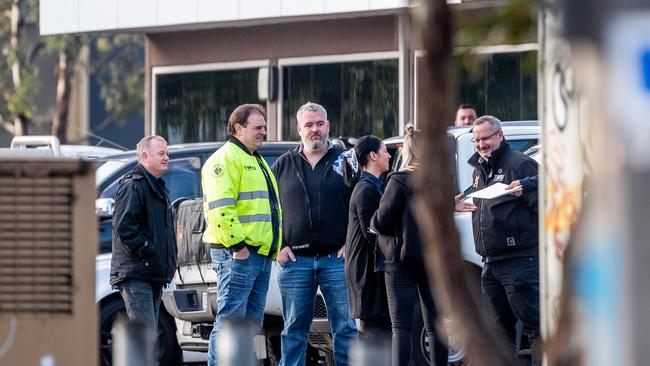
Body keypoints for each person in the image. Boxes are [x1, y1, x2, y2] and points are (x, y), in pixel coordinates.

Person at [271, 102, 358, 366]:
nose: (315, 130)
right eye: (308, 125)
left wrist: (351, 243)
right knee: (294, 329)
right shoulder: (283, 165)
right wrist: (279, 246)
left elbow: (362, 203)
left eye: (320, 124)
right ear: (299, 129)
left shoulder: (347, 160)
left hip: (337, 260)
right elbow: (269, 210)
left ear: (328, 126)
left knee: (345, 328)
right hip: (295, 262)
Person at [202, 104, 282, 366]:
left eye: (264, 127)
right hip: (238, 254)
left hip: (256, 255)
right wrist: (238, 247)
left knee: (248, 324)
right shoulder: (224, 160)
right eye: (257, 127)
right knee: (231, 322)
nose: (264, 132)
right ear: (238, 128)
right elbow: (220, 208)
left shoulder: (254, 159)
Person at [370, 125, 448, 366]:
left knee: (401, 326)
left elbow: (381, 221)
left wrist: (373, 222)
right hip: (432, 259)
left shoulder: (399, 181)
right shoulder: (439, 181)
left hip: (399, 262)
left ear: (407, 150)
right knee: (436, 324)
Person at [467, 115, 540, 361]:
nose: (481, 144)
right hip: (490, 262)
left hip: (520, 262)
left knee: (536, 329)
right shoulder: (479, 168)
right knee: (497, 334)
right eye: (476, 140)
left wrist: (524, 191)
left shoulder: (520, 165)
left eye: (485, 138)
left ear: (500, 135)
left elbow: (543, 207)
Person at [110, 135, 177, 363]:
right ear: (144, 156)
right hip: (136, 273)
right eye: (162, 154)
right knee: (144, 338)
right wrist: (149, 250)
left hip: (153, 273)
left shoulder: (158, 187)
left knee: (149, 337)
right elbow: (124, 226)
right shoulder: (133, 185)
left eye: (167, 153)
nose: (167, 158)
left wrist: (169, 261)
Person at [342, 135, 392, 342]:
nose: (389, 155)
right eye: (385, 151)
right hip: (367, 272)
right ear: (373, 155)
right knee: (374, 333)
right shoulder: (366, 190)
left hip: (370, 269)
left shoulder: (373, 186)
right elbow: (372, 234)